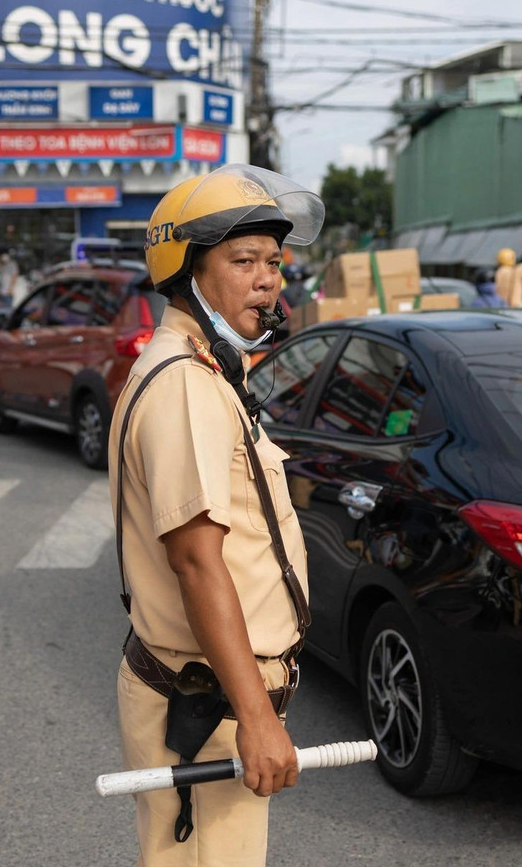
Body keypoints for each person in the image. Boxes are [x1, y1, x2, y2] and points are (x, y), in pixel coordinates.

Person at [110, 165, 321, 866]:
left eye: (274, 262)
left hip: (212, 696)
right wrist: (257, 719)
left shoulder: (206, 372)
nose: (268, 280)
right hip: (208, 707)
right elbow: (197, 560)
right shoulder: (186, 388)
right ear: (187, 270)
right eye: (244, 260)